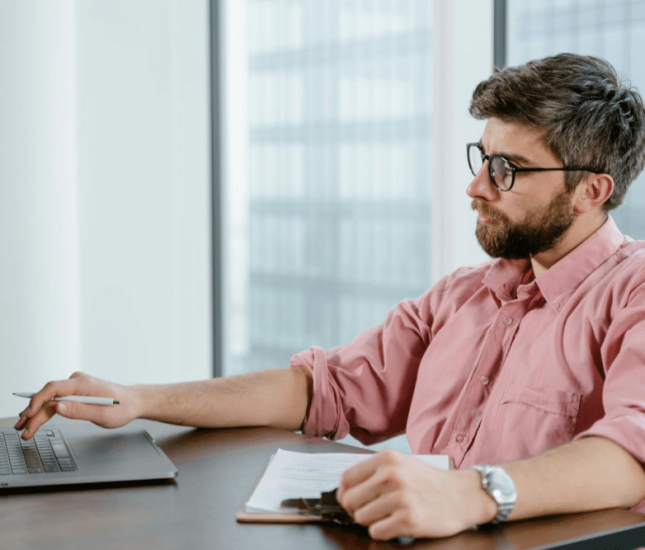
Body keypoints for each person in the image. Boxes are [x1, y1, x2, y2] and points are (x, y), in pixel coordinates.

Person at [14, 53, 645, 541]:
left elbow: (631, 456)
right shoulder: (464, 295)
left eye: (507, 169)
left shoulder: (633, 292)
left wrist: (471, 492)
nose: (476, 185)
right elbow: (327, 389)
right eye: (483, 157)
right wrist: (143, 400)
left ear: (591, 191)